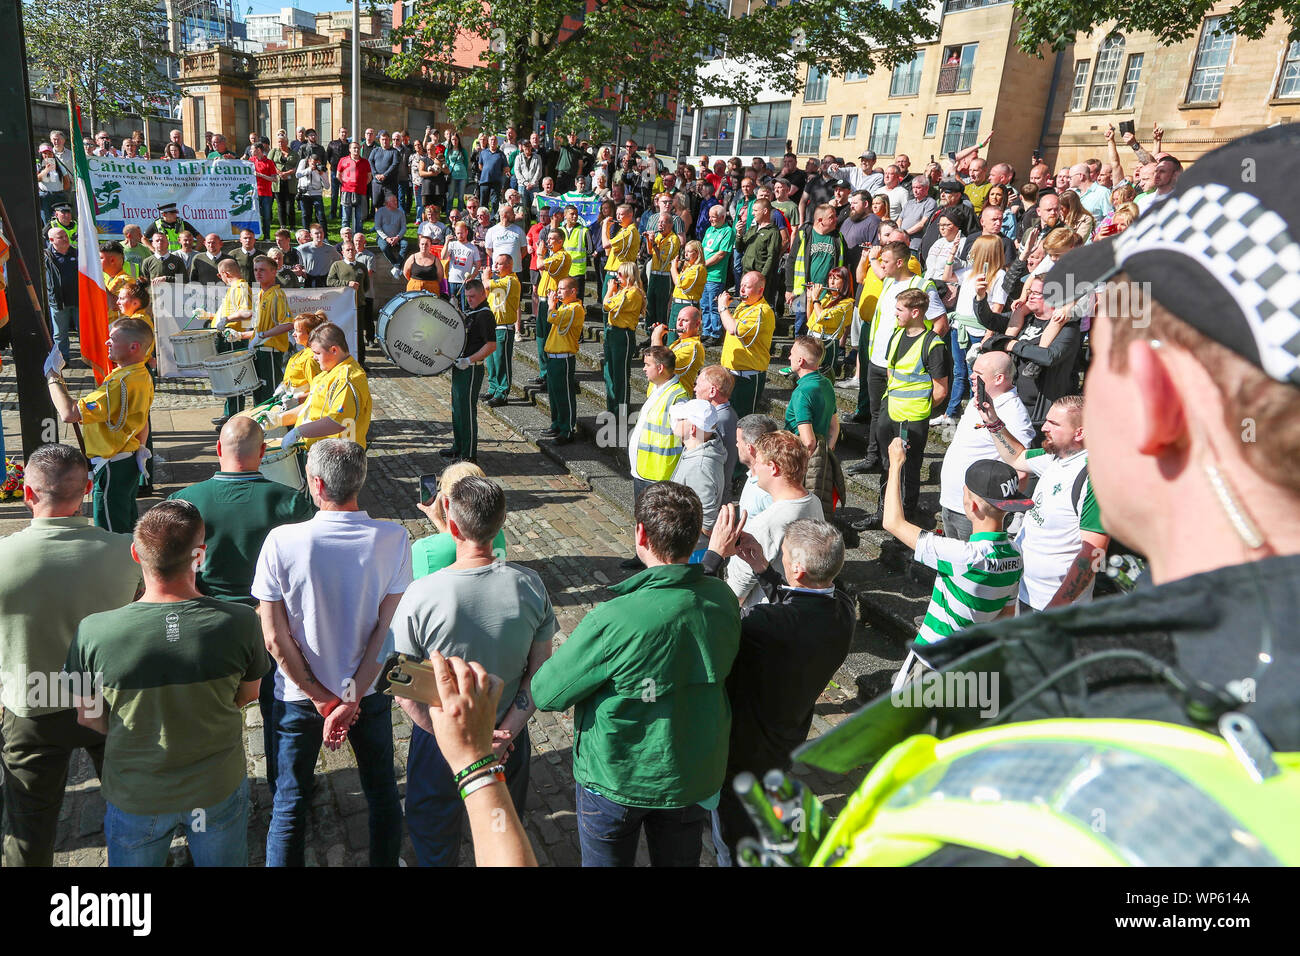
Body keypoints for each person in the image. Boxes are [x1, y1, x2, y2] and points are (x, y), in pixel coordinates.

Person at [532, 481, 740, 867]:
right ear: (696, 535)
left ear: (641, 533)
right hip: (691, 775)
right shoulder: (722, 599)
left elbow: (546, 693)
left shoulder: (613, 619)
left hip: (617, 780)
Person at [66, 499, 265, 866]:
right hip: (215, 788)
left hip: (136, 794)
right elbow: (249, 694)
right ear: (199, 556)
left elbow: (88, 717)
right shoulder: (241, 622)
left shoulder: (93, 632)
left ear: (135, 554)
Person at [254, 439, 408, 866]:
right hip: (368, 695)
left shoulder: (282, 541)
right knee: (382, 793)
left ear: (316, 484)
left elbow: (274, 637)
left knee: (289, 803)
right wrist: (351, 696)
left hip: (299, 699)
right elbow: (386, 629)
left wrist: (323, 699)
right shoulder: (394, 539)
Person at [387, 474, 554, 866]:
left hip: (438, 740)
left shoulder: (420, 595)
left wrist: (449, 736)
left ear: (453, 525)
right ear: (501, 523)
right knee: (501, 827)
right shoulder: (531, 586)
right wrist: (504, 735)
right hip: (508, 739)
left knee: (433, 835)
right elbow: (539, 672)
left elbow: (399, 682)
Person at [0, 446, 141, 866]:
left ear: (27, 493)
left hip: (30, 705)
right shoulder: (127, 552)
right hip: (107, 702)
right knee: (133, 807)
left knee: (27, 829)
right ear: (88, 490)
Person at [168, 416, 312, 794]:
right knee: (276, 706)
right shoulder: (289, 501)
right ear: (263, 454)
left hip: (207, 620)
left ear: (218, 450)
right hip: (267, 622)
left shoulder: (185, 501)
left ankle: (210, 786)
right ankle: (284, 785)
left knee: (208, 709)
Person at [703, 510, 854, 866]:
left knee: (733, 837)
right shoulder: (844, 608)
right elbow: (800, 606)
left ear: (798, 569)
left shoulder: (764, 624)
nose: (779, 557)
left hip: (742, 747)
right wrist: (763, 570)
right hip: (787, 735)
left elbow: (702, 614)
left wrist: (713, 559)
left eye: (783, 553)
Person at [882, 438, 1028, 690]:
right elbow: (1004, 619)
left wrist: (895, 464)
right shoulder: (1015, 555)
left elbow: (892, 522)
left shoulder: (960, 555)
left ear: (971, 505)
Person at [976, 394, 1108, 612]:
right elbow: (1017, 457)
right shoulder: (1055, 457)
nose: (1044, 427)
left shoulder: (1095, 478)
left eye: (1054, 423)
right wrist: (993, 421)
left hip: (1054, 606)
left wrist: (1055, 609)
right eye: (1046, 420)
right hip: (1022, 590)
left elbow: (1093, 553)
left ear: (1080, 432)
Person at [852, 287, 950, 530]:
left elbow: (940, 390)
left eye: (899, 309)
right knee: (887, 466)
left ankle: (904, 519)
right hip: (890, 412)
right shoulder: (896, 335)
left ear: (915, 312)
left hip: (913, 419)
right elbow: (891, 372)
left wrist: (919, 409)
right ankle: (882, 514)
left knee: (908, 469)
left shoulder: (933, 345)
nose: (894, 313)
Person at [44, 318, 154, 533]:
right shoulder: (141, 374)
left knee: (111, 532)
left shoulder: (119, 382)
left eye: (113, 339)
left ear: (134, 347)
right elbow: (144, 421)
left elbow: (69, 413)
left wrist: (52, 376)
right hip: (128, 458)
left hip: (113, 465)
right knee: (126, 525)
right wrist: (139, 447)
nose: (107, 343)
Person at [936, 350, 1034, 541]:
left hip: (979, 514)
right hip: (953, 503)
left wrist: (998, 512)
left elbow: (1021, 470)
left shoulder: (1013, 412)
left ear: (998, 378)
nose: (971, 376)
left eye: (978, 373)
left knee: (972, 569)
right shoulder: (978, 399)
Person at [727, 430, 823, 608]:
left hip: (765, 614)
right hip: (795, 606)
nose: (754, 468)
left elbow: (737, 589)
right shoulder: (813, 501)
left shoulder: (768, 522)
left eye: (758, 462)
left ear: (773, 467)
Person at [276, 322, 372, 450]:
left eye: (317, 353)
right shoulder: (327, 372)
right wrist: (278, 419)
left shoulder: (347, 379)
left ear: (334, 350)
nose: (314, 357)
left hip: (338, 456)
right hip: (319, 451)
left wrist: (299, 432)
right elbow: (309, 407)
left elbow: (338, 422)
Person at [412, 461, 508, 577]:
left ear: (446, 502)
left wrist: (439, 520)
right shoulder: (497, 534)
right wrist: (438, 521)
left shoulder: (425, 549)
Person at [443, 278, 497, 463]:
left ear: (483, 294)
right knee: (457, 408)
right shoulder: (474, 312)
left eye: (473, 296)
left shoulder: (485, 315)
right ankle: (458, 447)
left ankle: (469, 453)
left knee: (467, 411)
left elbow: (491, 345)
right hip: (461, 366)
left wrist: (469, 359)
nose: (470, 300)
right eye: (467, 297)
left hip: (471, 368)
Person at [786, 336, 840, 515]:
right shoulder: (826, 384)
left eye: (791, 353)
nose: (788, 357)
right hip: (820, 461)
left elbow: (808, 441)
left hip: (801, 462)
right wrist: (825, 452)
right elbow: (834, 426)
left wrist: (798, 469)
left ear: (800, 361)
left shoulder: (802, 393)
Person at [668, 399, 728, 555]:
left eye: (681, 419)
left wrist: (691, 546)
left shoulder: (700, 466)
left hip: (692, 550)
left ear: (693, 428)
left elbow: (707, 520)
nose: (675, 421)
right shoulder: (695, 448)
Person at [718, 271, 776, 420]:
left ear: (760, 290)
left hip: (747, 377)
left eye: (747, 287)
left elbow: (733, 329)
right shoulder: (744, 306)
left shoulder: (761, 311)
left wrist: (723, 308)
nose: (742, 290)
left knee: (742, 421)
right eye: (741, 286)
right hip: (731, 373)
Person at [788, 203, 848, 339]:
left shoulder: (838, 238)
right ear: (820, 220)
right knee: (801, 326)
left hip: (827, 293)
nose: (836, 220)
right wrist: (789, 288)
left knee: (821, 329)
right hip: (803, 291)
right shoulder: (805, 234)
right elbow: (791, 260)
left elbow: (843, 265)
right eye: (831, 217)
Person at [526, 230, 571, 394]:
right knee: (540, 337)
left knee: (548, 338)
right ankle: (544, 372)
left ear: (561, 241)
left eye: (553, 239)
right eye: (548, 238)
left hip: (553, 302)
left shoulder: (562, 256)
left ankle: (549, 375)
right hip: (543, 300)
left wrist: (539, 253)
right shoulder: (552, 256)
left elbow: (539, 265)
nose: (549, 241)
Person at [541, 276, 584, 444]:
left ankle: (567, 429)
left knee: (564, 394)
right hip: (553, 357)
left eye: (562, 289)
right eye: (557, 289)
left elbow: (552, 317)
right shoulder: (565, 307)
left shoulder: (575, 308)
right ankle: (557, 423)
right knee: (554, 393)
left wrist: (552, 305)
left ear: (573, 291)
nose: (558, 292)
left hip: (564, 358)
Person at [602, 262, 644, 417]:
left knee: (620, 375)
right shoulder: (623, 290)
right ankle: (612, 408)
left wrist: (610, 290)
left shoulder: (633, 292)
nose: (616, 278)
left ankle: (621, 411)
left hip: (623, 334)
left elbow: (607, 305)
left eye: (620, 274)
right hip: (612, 332)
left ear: (629, 275)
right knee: (609, 373)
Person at [806, 265, 855, 375]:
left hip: (827, 344)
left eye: (836, 278)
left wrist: (815, 299)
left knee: (822, 379)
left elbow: (822, 318)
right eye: (830, 278)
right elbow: (811, 319)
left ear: (845, 282)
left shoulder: (847, 304)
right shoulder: (827, 298)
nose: (831, 282)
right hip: (813, 340)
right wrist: (810, 298)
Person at [650, 305, 706, 395]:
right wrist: (655, 336)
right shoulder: (679, 342)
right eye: (678, 319)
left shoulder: (693, 347)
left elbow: (662, 363)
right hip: (660, 395)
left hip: (673, 398)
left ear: (697, 324)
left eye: (685, 320)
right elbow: (653, 358)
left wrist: (657, 336)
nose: (679, 324)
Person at [699, 204, 735, 344]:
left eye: (713, 217)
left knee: (713, 306)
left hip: (716, 275)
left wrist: (704, 264)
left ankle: (716, 334)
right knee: (704, 305)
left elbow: (721, 254)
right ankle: (706, 331)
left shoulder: (727, 231)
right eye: (709, 217)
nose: (710, 220)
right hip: (704, 275)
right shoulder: (709, 229)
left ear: (721, 217)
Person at [733, 413, 779, 519]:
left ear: (749, 448)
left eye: (738, 441)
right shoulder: (753, 475)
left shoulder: (768, 491)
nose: (736, 445)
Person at [43, 226, 77, 363]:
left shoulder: (77, 253)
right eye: (60, 237)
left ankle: (88, 358)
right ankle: (63, 360)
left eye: (65, 236)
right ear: (51, 240)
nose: (65, 239)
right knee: (60, 334)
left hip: (79, 299)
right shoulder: (45, 257)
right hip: (58, 301)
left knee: (85, 331)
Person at [601, 203, 640, 299]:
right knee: (605, 305)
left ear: (630, 215)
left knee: (611, 305)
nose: (618, 217)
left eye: (621, 214)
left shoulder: (629, 231)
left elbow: (605, 245)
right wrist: (608, 229)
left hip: (619, 275)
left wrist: (604, 226)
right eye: (617, 214)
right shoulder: (622, 230)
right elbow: (608, 252)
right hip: (611, 273)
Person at [337, 141, 372, 235]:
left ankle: (358, 238)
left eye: (358, 148)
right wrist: (346, 184)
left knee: (359, 217)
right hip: (346, 191)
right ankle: (346, 239)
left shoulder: (365, 162)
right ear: (350, 149)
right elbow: (338, 175)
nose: (356, 150)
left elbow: (369, 177)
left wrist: (362, 185)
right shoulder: (343, 160)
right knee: (345, 218)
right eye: (354, 148)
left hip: (360, 191)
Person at [297, 221, 342, 289]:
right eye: (316, 233)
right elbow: (295, 263)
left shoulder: (330, 249)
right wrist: (302, 270)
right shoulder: (302, 249)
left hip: (325, 281)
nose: (319, 235)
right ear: (311, 235)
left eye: (321, 232)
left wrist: (333, 274)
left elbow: (340, 261)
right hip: (309, 280)